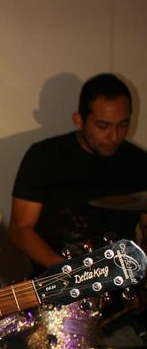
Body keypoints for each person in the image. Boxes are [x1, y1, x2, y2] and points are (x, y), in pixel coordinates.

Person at [10, 73, 147, 271]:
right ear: (79, 120)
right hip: (59, 279)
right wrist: (69, 271)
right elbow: (21, 229)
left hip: (121, 278)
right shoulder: (44, 157)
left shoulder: (139, 162)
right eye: (103, 126)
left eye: (123, 125)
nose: (114, 136)